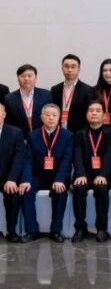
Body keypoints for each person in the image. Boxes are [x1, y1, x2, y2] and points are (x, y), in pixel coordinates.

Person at [20, 103, 74, 243]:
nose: (51, 118)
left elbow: (67, 160)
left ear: (59, 117)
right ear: (42, 117)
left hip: (58, 176)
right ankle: (32, 230)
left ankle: (56, 231)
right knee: (26, 191)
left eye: (54, 115)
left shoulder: (68, 136)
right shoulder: (33, 135)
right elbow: (28, 160)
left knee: (60, 191)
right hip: (38, 175)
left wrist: (60, 179)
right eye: (48, 115)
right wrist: (26, 180)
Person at [71, 100, 111, 243]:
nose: (94, 113)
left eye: (98, 110)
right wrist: (80, 174)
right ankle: (80, 228)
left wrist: (102, 174)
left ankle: (102, 229)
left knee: (101, 188)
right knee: (78, 188)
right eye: (91, 110)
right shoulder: (79, 134)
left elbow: (109, 156)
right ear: (86, 114)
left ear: (104, 115)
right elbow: (77, 155)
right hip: (85, 174)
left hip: (104, 174)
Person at [0, 103, 28, 242]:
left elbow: (19, 157)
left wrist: (11, 179)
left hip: (7, 177)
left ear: (4, 114)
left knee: (13, 195)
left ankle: (11, 231)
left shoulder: (15, 132)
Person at [4, 64, 53, 136]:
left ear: (35, 78)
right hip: (20, 137)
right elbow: (8, 122)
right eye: (23, 76)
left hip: (42, 136)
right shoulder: (9, 98)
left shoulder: (46, 95)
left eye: (29, 76)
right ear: (18, 79)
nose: (26, 78)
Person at [51, 54, 94, 133]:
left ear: (79, 69)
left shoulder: (88, 90)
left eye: (73, 67)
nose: (69, 70)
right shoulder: (55, 89)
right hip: (58, 133)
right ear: (62, 68)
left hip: (79, 133)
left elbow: (89, 114)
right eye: (66, 66)